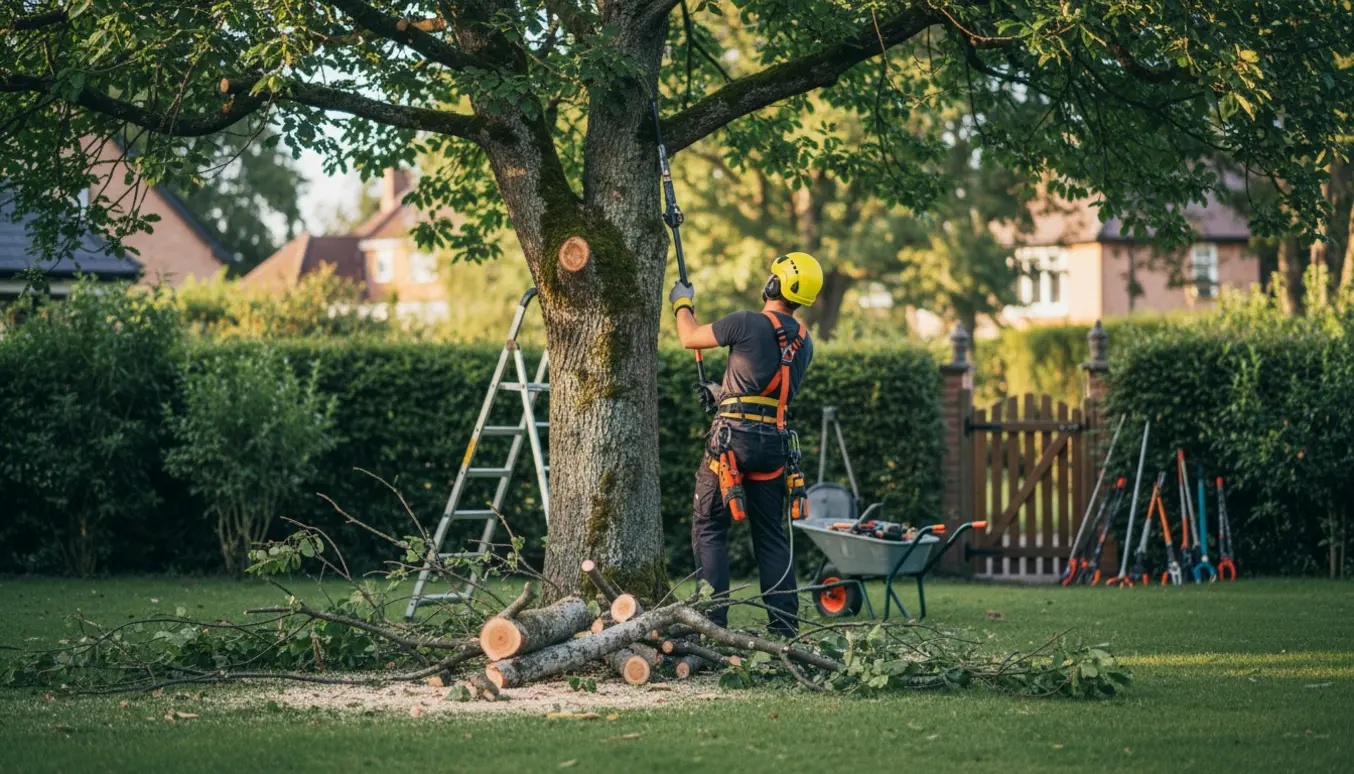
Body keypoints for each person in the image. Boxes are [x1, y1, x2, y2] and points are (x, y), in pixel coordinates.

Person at [668, 252, 823, 637]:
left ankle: (713, 621)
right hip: (773, 444)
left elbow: (690, 337)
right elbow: (765, 394)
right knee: (771, 536)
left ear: (774, 285)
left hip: (731, 443)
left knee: (709, 527)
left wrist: (681, 302)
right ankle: (785, 628)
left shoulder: (745, 322)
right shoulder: (804, 343)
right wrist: (721, 393)